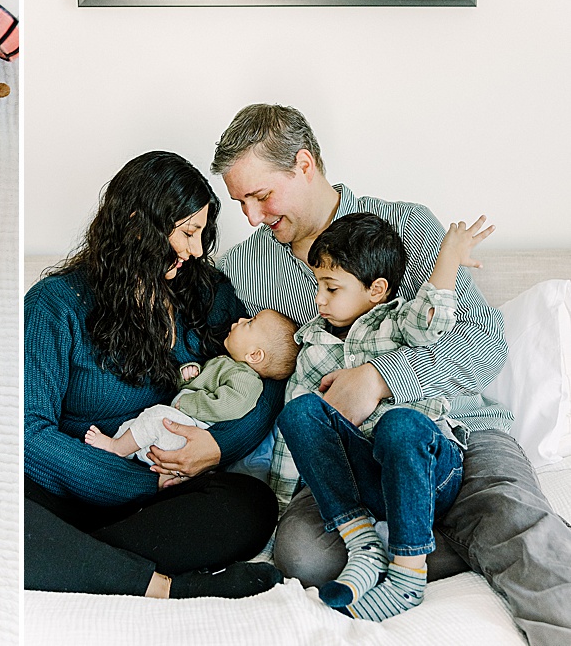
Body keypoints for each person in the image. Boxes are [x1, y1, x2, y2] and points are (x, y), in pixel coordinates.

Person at [208, 103, 571, 644]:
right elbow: (245, 377)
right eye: (241, 203)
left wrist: (383, 376)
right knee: (302, 557)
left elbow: (482, 340)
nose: (253, 216)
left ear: (304, 164)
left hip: (453, 430)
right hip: (346, 459)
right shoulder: (244, 269)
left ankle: (448, 536)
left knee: (520, 529)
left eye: (261, 196)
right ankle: (423, 537)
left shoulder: (405, 226)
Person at [25, 151, 283, 600]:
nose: (196, 250)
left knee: (251, 505)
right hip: (71, 493)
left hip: (162, 500)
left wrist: (218, 446)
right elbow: (27, 432)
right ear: (135, 224)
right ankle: (163, 585)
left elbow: (264, 379)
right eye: (187, 232)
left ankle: (76, 562)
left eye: (202, 233)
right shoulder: (55, 304)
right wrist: (136, 482)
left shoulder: (206, 292)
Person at [272, 211, 491, 621]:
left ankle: (408, 576)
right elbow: (291, 446)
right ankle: (365, 547)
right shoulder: (316, 347)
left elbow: (434, 319)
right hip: (366, 483)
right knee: (299, 412)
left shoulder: (398, 322)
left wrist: (448, 260)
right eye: (317, 285)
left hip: (426, 472)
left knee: (399, 424)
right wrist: (280, 511)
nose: (318, 300)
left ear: (376, 290)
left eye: (331, 288)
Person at [84, 308, 297, 464]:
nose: (241, 319)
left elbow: (230, 405)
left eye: (250, 322)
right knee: (134, 425)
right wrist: (190, 374)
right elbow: (199, 384)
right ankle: (118, 453)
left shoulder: (247, 379)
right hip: (182, 424)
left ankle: (116, 448)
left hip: (193, 430)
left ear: (254, 355)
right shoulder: (227, 364)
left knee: (155, 417)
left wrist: (188, 402)